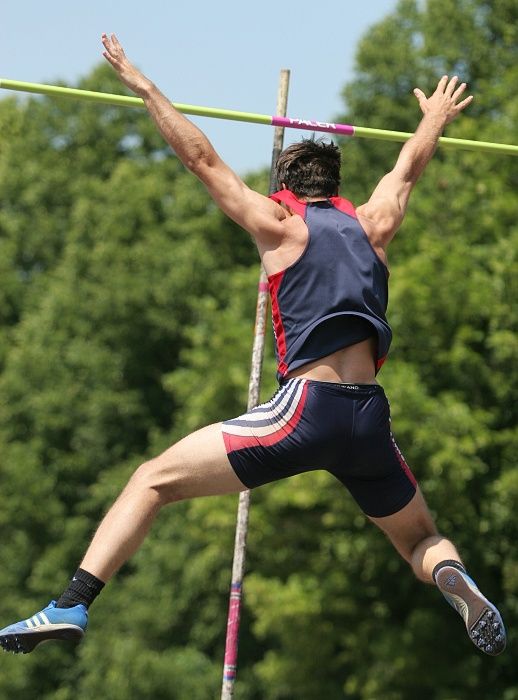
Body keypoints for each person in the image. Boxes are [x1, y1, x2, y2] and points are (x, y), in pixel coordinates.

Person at [0, 34, 506, 658]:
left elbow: (203, 161)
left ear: (285, 189)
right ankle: (454, 579)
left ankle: (73, 601)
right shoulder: (373, 224)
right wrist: (433, 119)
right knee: (420, 538)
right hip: (370, 417)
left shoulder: (279, 224)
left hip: (306, 410)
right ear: (336, 184)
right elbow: (407, 168)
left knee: (152, 480)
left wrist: (144, 87)